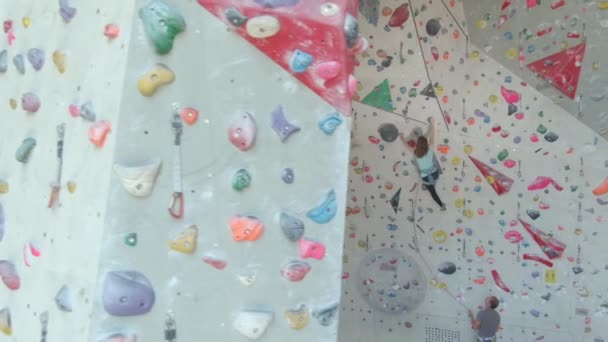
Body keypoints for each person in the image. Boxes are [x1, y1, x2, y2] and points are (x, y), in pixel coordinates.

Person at [399, 117, 446, 210]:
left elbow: (405, 144)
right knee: (432, 189)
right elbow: (433, 135)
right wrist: (433, 123)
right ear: (426, 144)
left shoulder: (414, 151)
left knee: (432, 191)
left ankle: (441, 205)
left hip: (430, 178)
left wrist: (401, 137)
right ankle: (441, 204)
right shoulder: (430, 147)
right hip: (434, 174)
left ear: (417, 145)